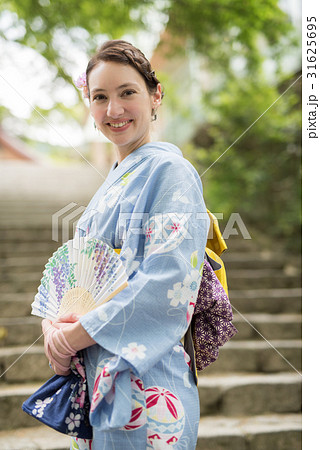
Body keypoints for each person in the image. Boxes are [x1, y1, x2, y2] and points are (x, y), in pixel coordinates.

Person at [42, 39, 209, 450]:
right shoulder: (109, 186)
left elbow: (167, 282)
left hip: (151, 386)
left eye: (127, 93)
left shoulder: (171, 171)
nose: (113, 110)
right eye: (100, 97)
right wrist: (54, 328)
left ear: (155, 96)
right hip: (99, 382)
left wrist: (77, 334)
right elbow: (78, 284)